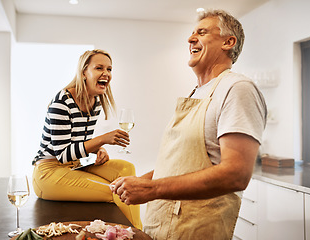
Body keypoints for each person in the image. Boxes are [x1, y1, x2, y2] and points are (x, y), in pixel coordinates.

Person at [111, 9, 267, 239]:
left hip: (197, 229)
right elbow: (181, 165)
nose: (190, 39)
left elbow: (236, 174)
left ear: (228, 42)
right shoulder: (198, 92)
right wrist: (140, 181)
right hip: (162, 225)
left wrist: (151, 189)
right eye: (192, 33)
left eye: (201, 32)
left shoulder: (237, 88)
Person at [32, 49, 142, 229]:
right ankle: (136, 234)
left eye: (109, 69)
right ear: (84, 72)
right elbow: (63, 154)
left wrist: (99, 150)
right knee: (118, 191)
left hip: (74, 166)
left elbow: (78, 144)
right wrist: (102, 140)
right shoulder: (62, 102)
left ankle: (134, 232)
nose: (106, 73)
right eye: (99, 68)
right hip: (48, 172)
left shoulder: (95, 102)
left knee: (126, 168)